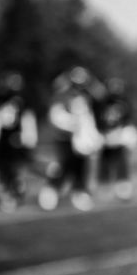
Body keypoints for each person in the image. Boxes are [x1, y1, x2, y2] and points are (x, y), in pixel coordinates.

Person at [39, 67, 104, 211]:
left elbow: (100, 98)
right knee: (65, 165)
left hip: (81, 140)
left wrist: (92, 136)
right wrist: (73, 124)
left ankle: (79, 191)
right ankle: (51, 190)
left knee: (81, 166)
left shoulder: (86, 97)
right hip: (65, 139)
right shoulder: (62, 96)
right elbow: (56, 117)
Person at [0, 72, 38, 211]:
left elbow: (28, 120)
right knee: (4, 171)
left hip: (17, 143)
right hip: (2, 144)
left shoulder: (23, 102)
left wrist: (28, 138)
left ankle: (15, 191)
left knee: (16, 170)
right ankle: (10, 193)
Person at [97, 78, 137, 201]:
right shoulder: (102, 103)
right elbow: (98, 120)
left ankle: (123, 189)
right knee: (104, 165)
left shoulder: (125, 103)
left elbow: (129, 120)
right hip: (106, 138)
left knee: (122, 165)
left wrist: (126, 134)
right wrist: (101, 133)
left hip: (119, 138)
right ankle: (104, 189)